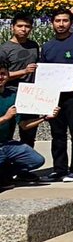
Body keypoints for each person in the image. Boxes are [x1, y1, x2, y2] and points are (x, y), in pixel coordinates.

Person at [40, 7, 73, 181]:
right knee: (57, 134)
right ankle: (59, 169)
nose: (61, 24)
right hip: (54, 96)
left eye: (65, 21)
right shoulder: (47, 46)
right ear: (52, 24)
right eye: (58, 21)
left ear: (71, 23)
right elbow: (43, 71)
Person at [0, 69, 55, 186]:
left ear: (8, 75)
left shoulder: (12, 96)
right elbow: (7, 117)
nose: (0, 77)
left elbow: (24, 125)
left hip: (6, 144)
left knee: (36, 160)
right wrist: (5, 118)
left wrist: (44, 118)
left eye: (3, 74)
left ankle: (4, 175)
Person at [0, 14, 40, 145]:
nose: (24, 29)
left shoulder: (34, 45)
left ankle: (28, 162)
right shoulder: (4, 49)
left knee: (29, 133)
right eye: (20, 26)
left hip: (30, 93)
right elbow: (2, 75)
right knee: (6, 131)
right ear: (12, 28)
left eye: (27, 26)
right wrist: (24, 71)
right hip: (10, 92)